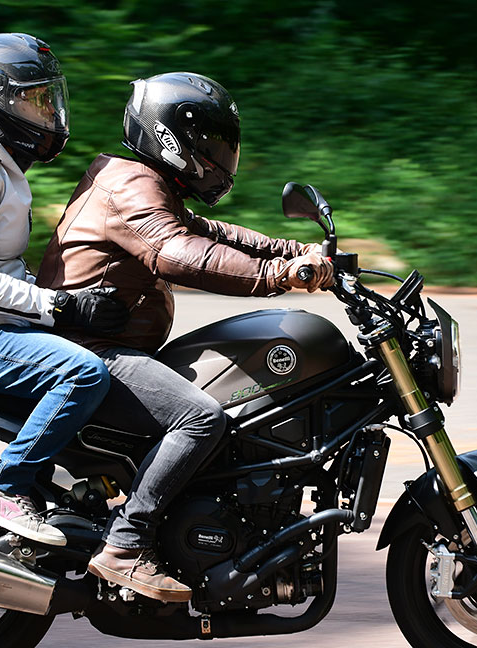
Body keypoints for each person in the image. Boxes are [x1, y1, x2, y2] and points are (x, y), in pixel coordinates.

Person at [36, 71, 333, 601]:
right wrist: (278, 276)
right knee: (201, 417)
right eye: (211, 145)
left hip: (114, 349)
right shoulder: (130, 185)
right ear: (172, 136)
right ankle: (126, 545)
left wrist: (292, 251)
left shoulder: (144, 181)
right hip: (94, 354)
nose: (219, 158)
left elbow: (208, 232)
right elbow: (179, 253)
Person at [0, 33, 129, 546]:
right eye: (32, 99)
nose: (46, 111)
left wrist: (74, 303)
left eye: (46, 98)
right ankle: (5, 489)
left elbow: (6, 271)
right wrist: (61, 305)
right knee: (82, 373)